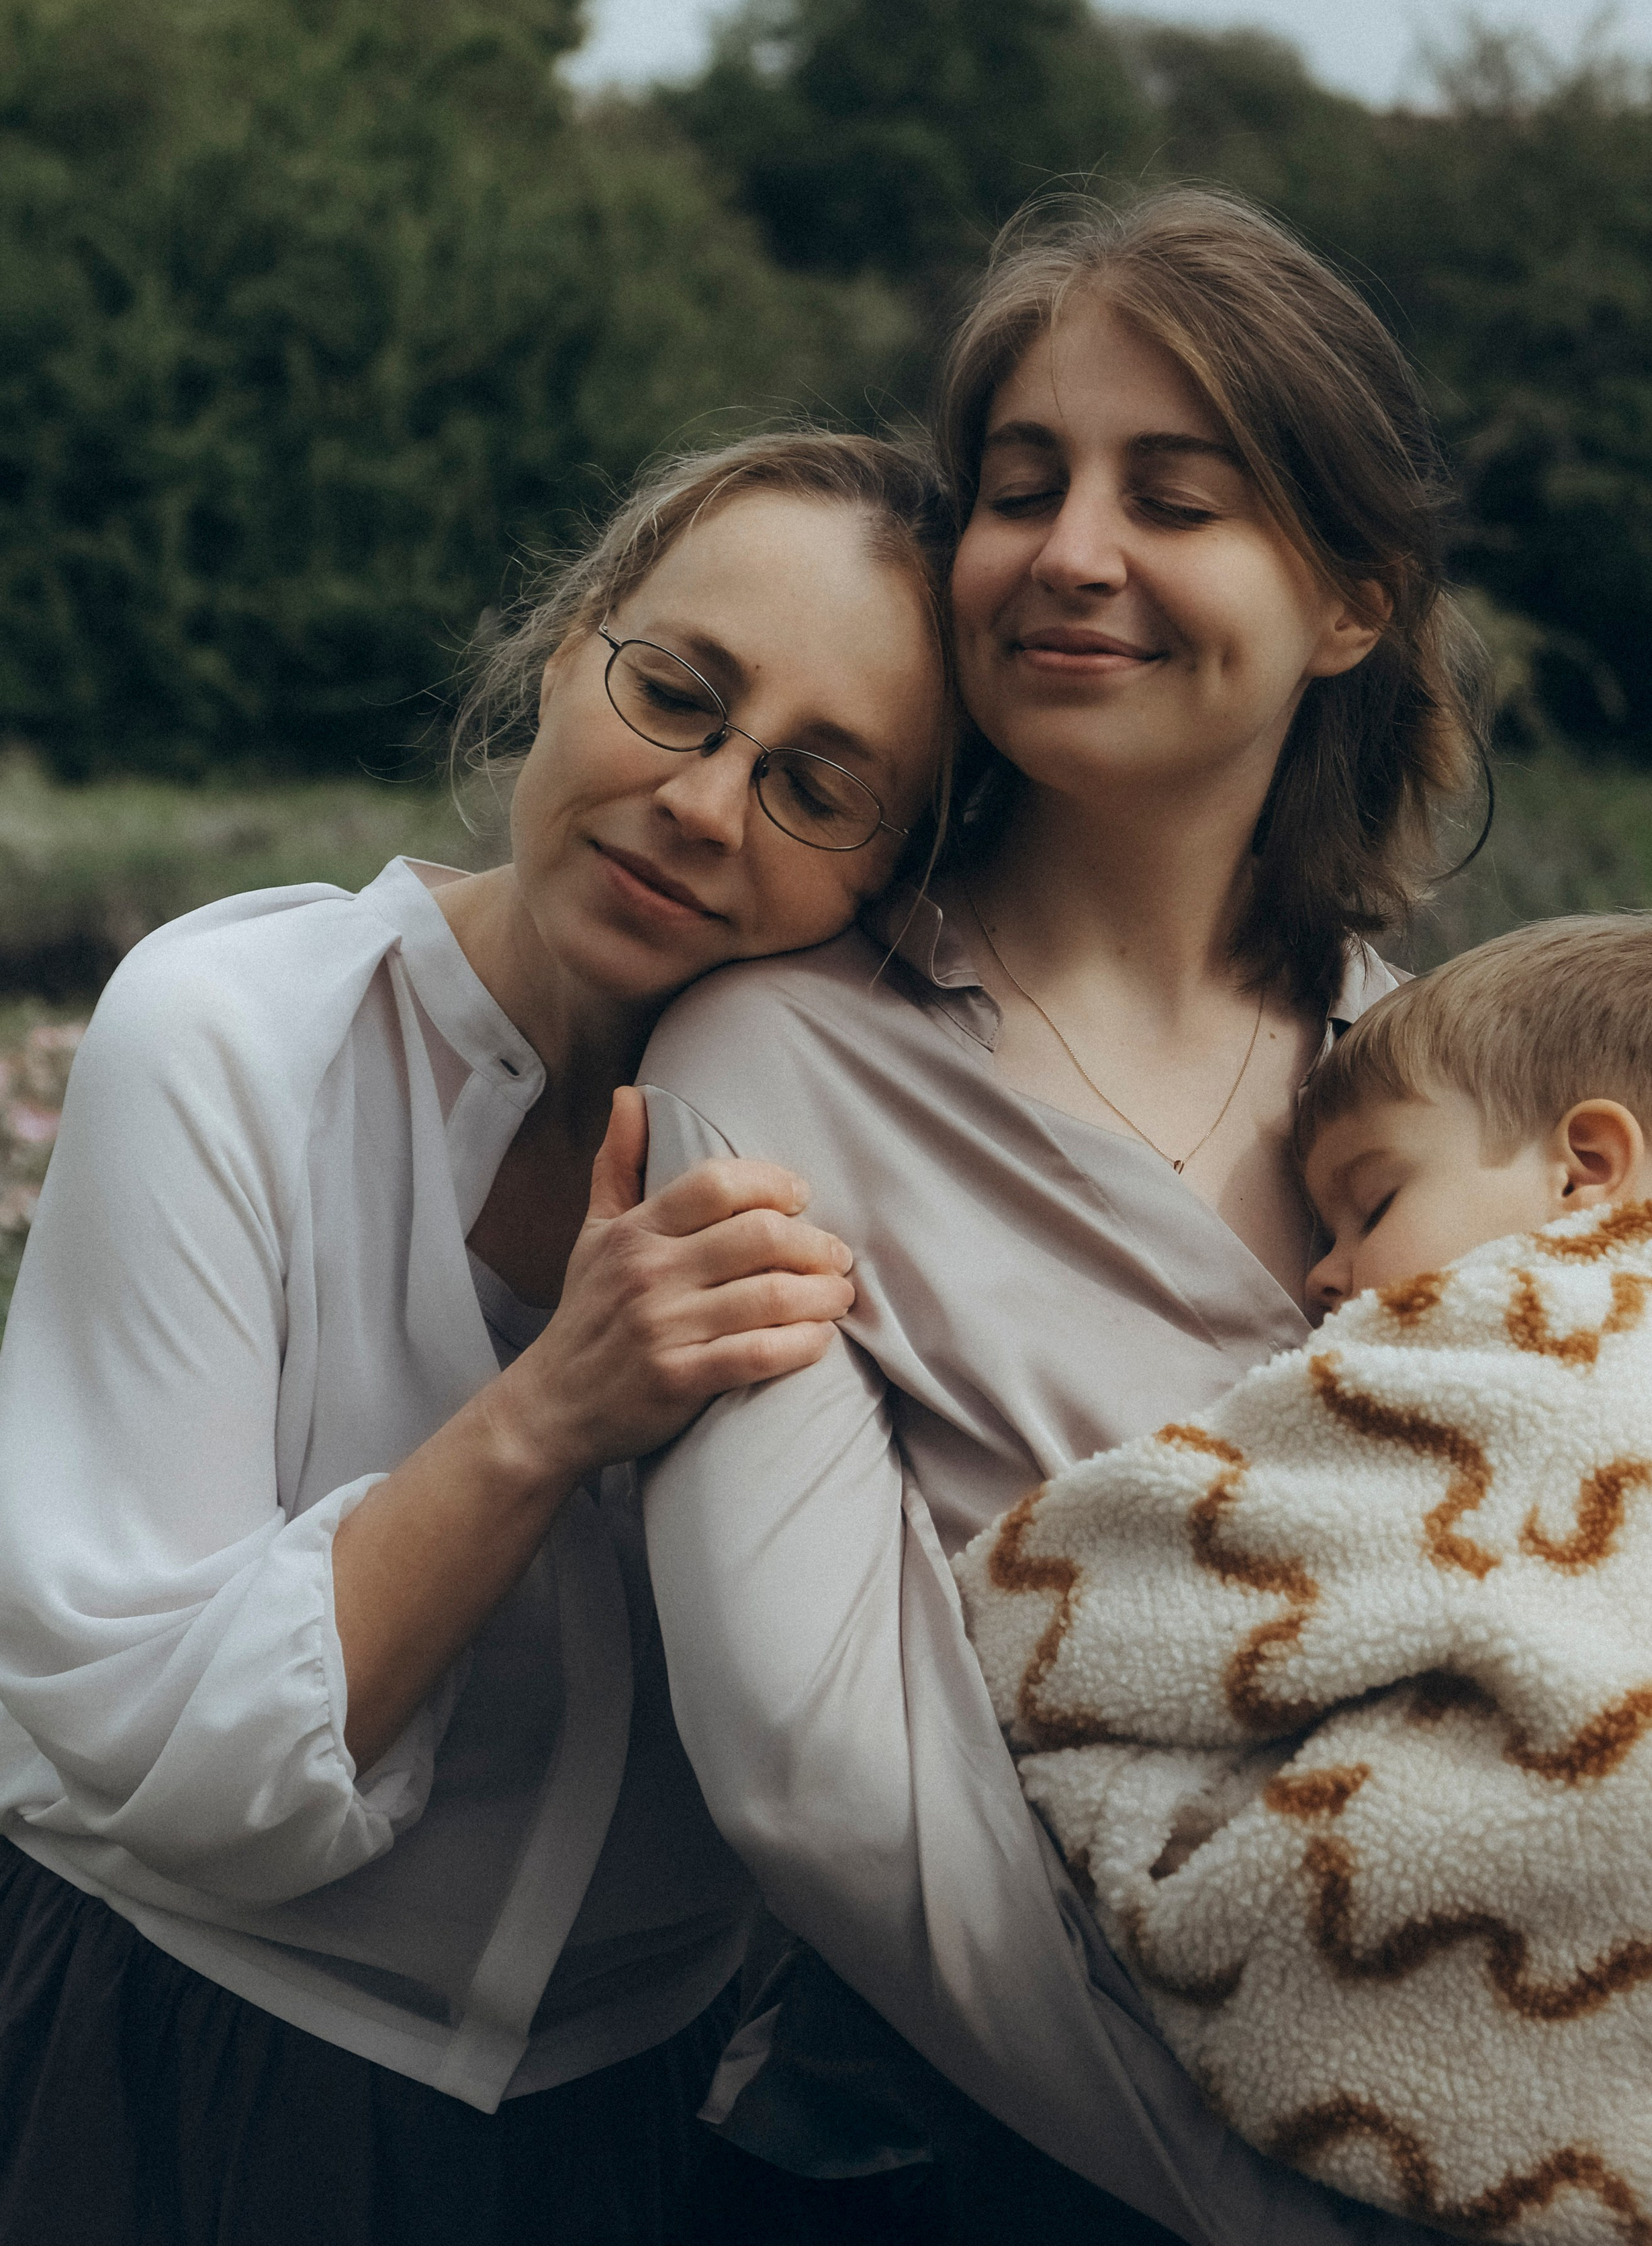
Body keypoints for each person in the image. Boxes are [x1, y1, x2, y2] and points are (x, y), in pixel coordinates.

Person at [637, 187, 1490, 2242]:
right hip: (944, 2166)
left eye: (1173, 497)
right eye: (1023, 486)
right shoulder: (768, 1066)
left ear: (1352, 601)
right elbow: (826, 1785)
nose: (1072, 553)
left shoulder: (1446, 1090)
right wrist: (1260, 2198)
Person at [0, 431, 954, 2246]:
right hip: (175, 2075)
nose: (703, 801)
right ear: (564, 647)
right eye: (678, 693)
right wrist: (554, 1411)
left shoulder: (868, 1155)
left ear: (895, 874)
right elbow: (158, 1759)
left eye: (821, 787)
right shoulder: (228, 1033)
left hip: (655, 2136)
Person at [956, 911, 1652, 2237]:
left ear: (1581, 1173)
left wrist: (975, 1596)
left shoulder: (1488, 1362)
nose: (1319, 1276)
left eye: (1370, 1202)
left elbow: (1066, 1608)